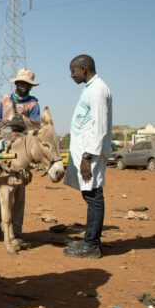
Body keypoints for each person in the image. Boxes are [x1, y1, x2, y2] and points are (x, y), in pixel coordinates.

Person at [63, 54, 112, 258]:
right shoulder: (91, 89)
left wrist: (87, 156)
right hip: (86, 153)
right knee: (90, 195)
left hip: (89, 154)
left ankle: (91, 245)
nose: (71, 75)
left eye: (73, 71)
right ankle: (90, 240)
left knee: (94, 197)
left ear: (84, 69)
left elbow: (99, 127)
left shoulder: (98, 91)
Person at [0, 68, 41, 241]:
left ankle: (16, 229)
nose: (24, 87)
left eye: (28, 84)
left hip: (21, 147)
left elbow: (35, 126)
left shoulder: (33, 104)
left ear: (31, 87)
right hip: (2, 142)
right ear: (16, 83)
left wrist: (21, 124)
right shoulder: (5, 99)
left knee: (18, 189)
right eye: (21, 83)